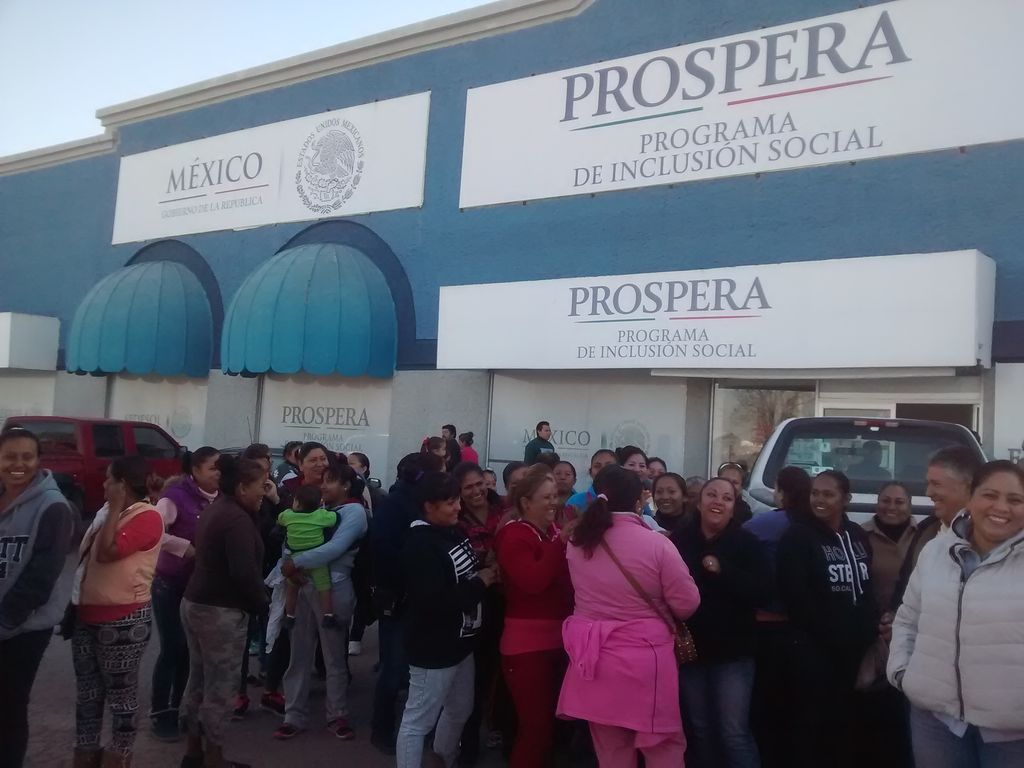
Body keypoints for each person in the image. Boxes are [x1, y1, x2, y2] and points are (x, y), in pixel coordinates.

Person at [558, 465, 701, 767]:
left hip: (593, 659)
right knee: (663, 747)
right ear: (639, 501)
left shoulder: (577, 543)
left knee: (611, 749)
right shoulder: (657, 543)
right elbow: (687, 604)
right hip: (646, 663)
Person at [888, 461, 1024, 767]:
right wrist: (903, 673)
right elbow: (908, 617)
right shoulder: (936, 551)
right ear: (971, 498)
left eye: (1015, 500)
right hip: (936, 722)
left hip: (1013, 734)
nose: (1001, 507)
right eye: (990, 495)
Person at [776, 470, 879, 768]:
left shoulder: (857, 534)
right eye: (815, 493)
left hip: (855, 652)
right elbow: (795, 597)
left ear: (846, 498)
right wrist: (834, 635)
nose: (819, 500)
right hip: (815, 652)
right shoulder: (798, 536)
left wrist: (869, 629)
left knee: (848, 725)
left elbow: (866, 586)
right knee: (812, 726)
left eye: (828, 494)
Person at [396, 471, 499, 768]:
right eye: (450, 502)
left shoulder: (450, 531)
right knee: (417, 721)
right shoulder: (420, 545)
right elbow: (435, 601)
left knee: (460, 710)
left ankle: (442, 759)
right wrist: (481, 581)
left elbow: (463, 572)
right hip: (434, 648)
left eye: (457, 500)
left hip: (460, 645)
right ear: (429, 506)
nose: (458, 507)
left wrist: (485, 567)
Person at [72, 456, 163, 768]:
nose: (104, 484)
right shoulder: (108, 512)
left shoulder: (147, 516)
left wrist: (113, 508)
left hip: (123, 619)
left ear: (123, 485)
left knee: (121, 697)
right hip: (87, 614)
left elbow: (108, 552)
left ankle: (118, 758)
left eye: (109, 479)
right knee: (88, 695)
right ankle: (85, 755)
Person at [179, 456, 269, 768]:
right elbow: (243, 572)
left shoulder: (219, 508)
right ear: (242, 487)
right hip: (219, 612)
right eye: (261, 486)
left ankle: (194, 752)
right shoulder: (236, 519)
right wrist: (261, 603)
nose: (264, 491)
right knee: (220, 688)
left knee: (198, 681)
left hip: (197, 602)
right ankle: (213, 759)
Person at [673, 477, 766, 768]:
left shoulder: (748, 543)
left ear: (734, 506)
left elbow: (762, 592)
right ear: (699, 502)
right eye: (711, 495)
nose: (718, 502)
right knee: (699, 729)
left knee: (733, 732)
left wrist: (723, 570)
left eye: (726, 498)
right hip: (691, 651)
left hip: (733, 654)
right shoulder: (678, 541)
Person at [274, 462, 368, 742]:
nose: (323, 485)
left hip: (334, 588)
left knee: (334, 656)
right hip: (303, 585)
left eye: (331, 481)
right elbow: (291, 539)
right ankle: (293, 715)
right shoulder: (320, 510)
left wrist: (295, 563)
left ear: (346, 486)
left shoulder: (354, 512)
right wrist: (290, 565)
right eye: (323, 480)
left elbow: (335, 548)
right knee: (298, 654)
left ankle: (337, 715)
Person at [0, 427, 73, 768]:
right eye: (9, 456)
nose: (18, 464)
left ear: (39, 461)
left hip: (24, 629)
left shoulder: (53, 507)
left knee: (9, 707)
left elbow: (41, 578)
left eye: (27, 457)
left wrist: (3, 621)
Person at [495, 465, 574, 767]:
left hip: (558, 641)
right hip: (527, 647)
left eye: (555, 496)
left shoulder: (550, 532)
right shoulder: (514, 534)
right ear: (526, 502)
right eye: (546, 497)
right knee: (535, 728)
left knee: (550, 728)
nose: (554, 502)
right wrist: (560, 543)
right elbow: (533, 581)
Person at [743, 466, 812, 768]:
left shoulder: (768, 522)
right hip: (804, 627)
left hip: (767, 624)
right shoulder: (812, 523)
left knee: (765, 706)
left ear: (782, 492)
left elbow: (735, 538)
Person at [150, 445, 221, 740]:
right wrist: (184, 548)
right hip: (169, 583)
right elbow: (152, 530)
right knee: (173, 647)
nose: (218, 473)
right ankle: (160, 714)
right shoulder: (175, 496)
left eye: (221, 468)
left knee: (191, 652)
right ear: (195, 470)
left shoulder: (222, 498)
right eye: (213, 468)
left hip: (198, 587)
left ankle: (180, 709)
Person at [371, 453, 432, 754]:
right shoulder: (396, 505)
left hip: (419, 598)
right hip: (400, 598)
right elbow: (382, 549)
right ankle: (382, 730)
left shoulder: (421, 503)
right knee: (395, 669)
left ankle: (411, 730)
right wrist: (413, 574)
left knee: (415, 671)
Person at [853, 481, 916, 768]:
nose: (891, 507)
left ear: (910, 505)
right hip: (872, 633)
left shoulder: (924, 535)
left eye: (899, 502)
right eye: (885, 500)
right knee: (872, 709)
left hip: (912, 634)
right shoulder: (859, 535)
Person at [453, 461, 508, 764]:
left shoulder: (504, 509)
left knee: (498, 671)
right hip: (474, 602)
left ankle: (497, 726)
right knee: (473, 676)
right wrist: (487, 562)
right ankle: (468, 741)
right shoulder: (456, 519)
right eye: (468, 487)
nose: (476, 491)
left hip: (504, 600)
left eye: (479, 484)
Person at [890, 445, 983, 610]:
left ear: (968, 487)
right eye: (928, 484)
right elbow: (905, 592)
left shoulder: (990, 539)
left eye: (936, 484)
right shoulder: (925, 530)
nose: (928, 492)